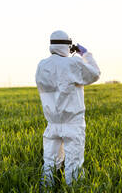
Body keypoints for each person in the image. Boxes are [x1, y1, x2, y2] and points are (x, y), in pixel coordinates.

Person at [35, 30, 100, 187]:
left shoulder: (42, 65)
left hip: (52, 124)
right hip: (72, 123)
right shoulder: (74, 63)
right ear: (67, 45)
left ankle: (47, 189)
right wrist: (85, 54)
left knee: (49, 162)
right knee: (74, 164)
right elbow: (95, 74)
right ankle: (73, 189)